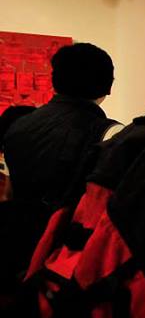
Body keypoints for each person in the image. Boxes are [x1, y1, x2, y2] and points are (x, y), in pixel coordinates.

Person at [3, 42, 120, 209]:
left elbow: (10, 193)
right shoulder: (112, 134)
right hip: (72, 225)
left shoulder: (17, 126)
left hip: (19, 224)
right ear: (108, 87)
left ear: (55, 80)